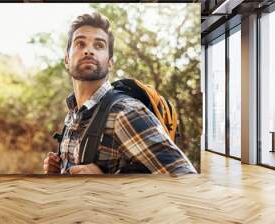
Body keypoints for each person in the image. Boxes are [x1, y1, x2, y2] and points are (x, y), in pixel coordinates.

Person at [43, 12, 197, 175]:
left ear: (110, 63)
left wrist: (108, 184)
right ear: (67, 59)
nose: (88, 50)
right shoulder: (73, 114)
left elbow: (186, 178)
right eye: (80, 44)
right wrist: (59, 171)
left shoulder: (126, 113)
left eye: (99, 45)